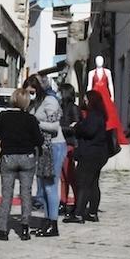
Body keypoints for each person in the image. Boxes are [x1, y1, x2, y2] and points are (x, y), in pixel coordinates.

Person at [0, 87, 39, 242]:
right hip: (27, 157)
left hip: (9, 156)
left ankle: (3, 229)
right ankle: (25, 228)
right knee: (26, 193)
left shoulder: (4, 116)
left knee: (6, 194)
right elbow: (39, 139)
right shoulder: (30, 119)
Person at [63, 90, 110, 223]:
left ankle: (78, 214)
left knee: (82, 182)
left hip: (91, 153)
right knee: (93, 183)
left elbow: (89, 131)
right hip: (99, 153)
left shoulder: (94, 116)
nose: (85, 101)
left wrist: (77, 127)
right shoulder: (99, 115)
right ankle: (92, 212)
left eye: (86, 99)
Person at [27, 75, 65, 237]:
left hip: (54, 146)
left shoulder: (50, 101)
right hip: (42, 147)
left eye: (32, 91)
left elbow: (55, 126)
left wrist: (35, 123)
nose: (30, 95)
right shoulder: (36, 103)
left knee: (50, 185)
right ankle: (47, 220)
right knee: (43, 185)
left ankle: (53, 223)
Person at [58, 82, 78, 210]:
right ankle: (63, 201)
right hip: (60, 143)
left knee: (70, 175)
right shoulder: (60, 107)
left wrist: (60, 128)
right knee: (62, 176)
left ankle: (77, 201)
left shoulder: (73, 108)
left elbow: (76, 127)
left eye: (60, 92)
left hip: (69, 144)